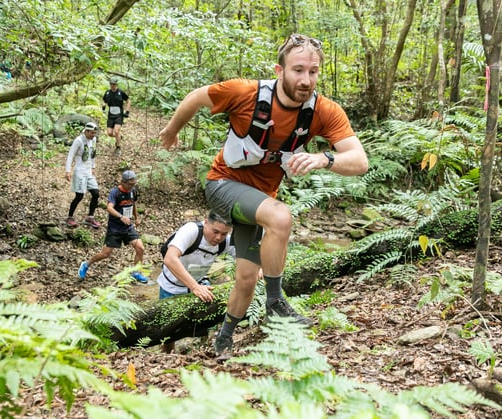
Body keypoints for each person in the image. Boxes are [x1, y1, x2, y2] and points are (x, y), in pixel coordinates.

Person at [158, 34, 369, 355]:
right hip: (222, 186)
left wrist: (323, 158)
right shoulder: (245, 93)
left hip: (256, 202)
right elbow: (196, 98)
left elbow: (359, 161)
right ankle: (276, 302)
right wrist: (172, 130)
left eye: (313, 72)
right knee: (281, 216)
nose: (306, 80)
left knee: (246, 278)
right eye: (298, 70)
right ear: (279, 70)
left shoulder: (324, 111)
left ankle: (224, 338)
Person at [157, 210, 236, 353]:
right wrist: (194, 287)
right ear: (206, 223)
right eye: (215, 231)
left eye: (224, 234)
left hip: (200, 282)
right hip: (172, 286)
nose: (219, 238)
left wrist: (258, 270)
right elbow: (170, 258)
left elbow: (244, 257)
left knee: (203, 322)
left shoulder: (226, 241)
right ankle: (167, 355)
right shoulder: (191, 231)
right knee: (169, 329)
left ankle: (201, 351)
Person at [78, 170, 149, 283]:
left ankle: (136, 272)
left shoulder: (133, 191)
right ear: (123, 182)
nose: (132, 186)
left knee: (140, 248)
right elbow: (109, 208)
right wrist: (121, 217)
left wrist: (136, 218)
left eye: (133, 184)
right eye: (130, 184)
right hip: (115, 228)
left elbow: (133, 203)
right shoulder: (115, 192)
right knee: (106, 253)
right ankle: (86, 264)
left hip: (128, 227)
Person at [65, 122, 101, 228]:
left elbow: (93, 154)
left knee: (96, 193)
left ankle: (90, 217)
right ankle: (70, 217)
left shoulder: (93, 140)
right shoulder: (78, 141)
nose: (93, 135)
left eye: (95, 133)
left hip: (88, 171)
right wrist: (68, 171)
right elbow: (70, 155)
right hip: (79, 171)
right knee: (79, 196)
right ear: (86, 131)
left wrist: (93, 167)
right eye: (92, 133)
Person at [102, 77, 131, 155]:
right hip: (111, 115)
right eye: (111, 84)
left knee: (116, 131)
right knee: (110, 133)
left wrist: (127, 111)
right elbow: (104, 100)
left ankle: (118, 147)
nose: (112, 85)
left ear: (116, 84)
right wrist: (103, 106)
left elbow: (128, 100)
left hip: (119, 115)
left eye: (114, 84)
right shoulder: (107, 93)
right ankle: (119, 137)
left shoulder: (120, 92)